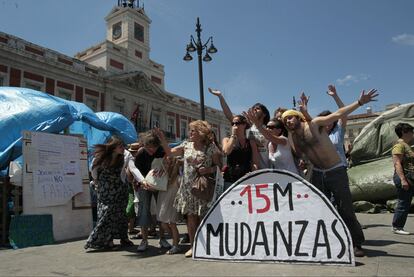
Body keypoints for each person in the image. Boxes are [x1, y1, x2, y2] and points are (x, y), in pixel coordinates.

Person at [281, 88, 379, 257]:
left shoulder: (315, 124)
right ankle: (329, 240)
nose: (288, 121)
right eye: (285, 121)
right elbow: (298, 153)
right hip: (318, 173)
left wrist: (360, 102)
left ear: (298, 117)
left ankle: (356, 243)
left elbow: (338, 114)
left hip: (336, 171)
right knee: (320, 209)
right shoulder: (294, 137)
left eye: (290, 117)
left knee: (345, 208)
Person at [155, 120, 221, 258]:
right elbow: (170, 153)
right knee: (190, 218)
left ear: (201, 133)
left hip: (203, 188)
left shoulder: (211, 148)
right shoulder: (186, 145)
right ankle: (193, 246)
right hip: (187, 189)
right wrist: (162, 139)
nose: (190, 133)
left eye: (193, 130)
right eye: (190, 130)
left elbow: (220, 167)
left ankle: (208, 245)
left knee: (203, 217)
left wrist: (209, 169)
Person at [84, 137, 132, 250]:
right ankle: (98, 241)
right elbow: (93, 170)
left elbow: (126, 173)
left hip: (120, 189)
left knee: (121, 215)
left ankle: (122, 238)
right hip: (106, 190)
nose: (123, 148)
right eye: (120, 146)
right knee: (107, 214)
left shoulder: (124, 157)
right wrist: (96, 182)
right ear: (113, 147)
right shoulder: (102, 157)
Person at [208, 88, 270, 168]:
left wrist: (251, 126)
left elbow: (260, 143)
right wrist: (220, 96)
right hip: (253, 169)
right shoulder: (246, 127)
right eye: (253, 108)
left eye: (257, 109)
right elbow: (229, 115)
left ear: (264, 114)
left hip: (267, 167)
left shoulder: (268, 128)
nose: (254, 109)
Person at [134, 131, 169, 252]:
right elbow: (136, 172)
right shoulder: (141, 154)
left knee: (161, 211)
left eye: (154, 148)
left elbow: (169, 160)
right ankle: (144, 240)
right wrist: (143, 183)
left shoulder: (160, 151)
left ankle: (162, 238)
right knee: (144, 211)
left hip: (159, 185)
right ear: (144, 145)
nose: (152, 151)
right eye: (149, 149)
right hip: (144, 186)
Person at [222, 115, 260, 191]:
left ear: (244, 125)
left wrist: (254, 169)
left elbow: (255, 161)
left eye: (237, 123)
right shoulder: (226, 139)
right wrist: (233, 136)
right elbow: (226, 151)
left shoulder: (251, 142)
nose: (234, 125)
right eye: (232, 124)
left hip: (246, 179)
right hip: (230, 179)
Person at [156, 156, 182, 254]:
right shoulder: (162, 174)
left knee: (172, 223)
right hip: (162, 201)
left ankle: (175, 245)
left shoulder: (178, 177)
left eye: (169, 163)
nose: (167, 165)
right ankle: (176, 239)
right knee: (163, 223)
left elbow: (180, 189)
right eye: (165, 163)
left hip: (172, 202)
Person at [391, 123, 414, 235]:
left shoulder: (406, 145)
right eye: (411, 131)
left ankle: (398, 226)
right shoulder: (399, 145)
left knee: (406, 202)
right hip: (405, 177)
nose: (412, 134)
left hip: (410, 176)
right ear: (404, 132)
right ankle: (397, 227)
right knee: (404, 202)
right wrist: (403, 180)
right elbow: (397, 163)